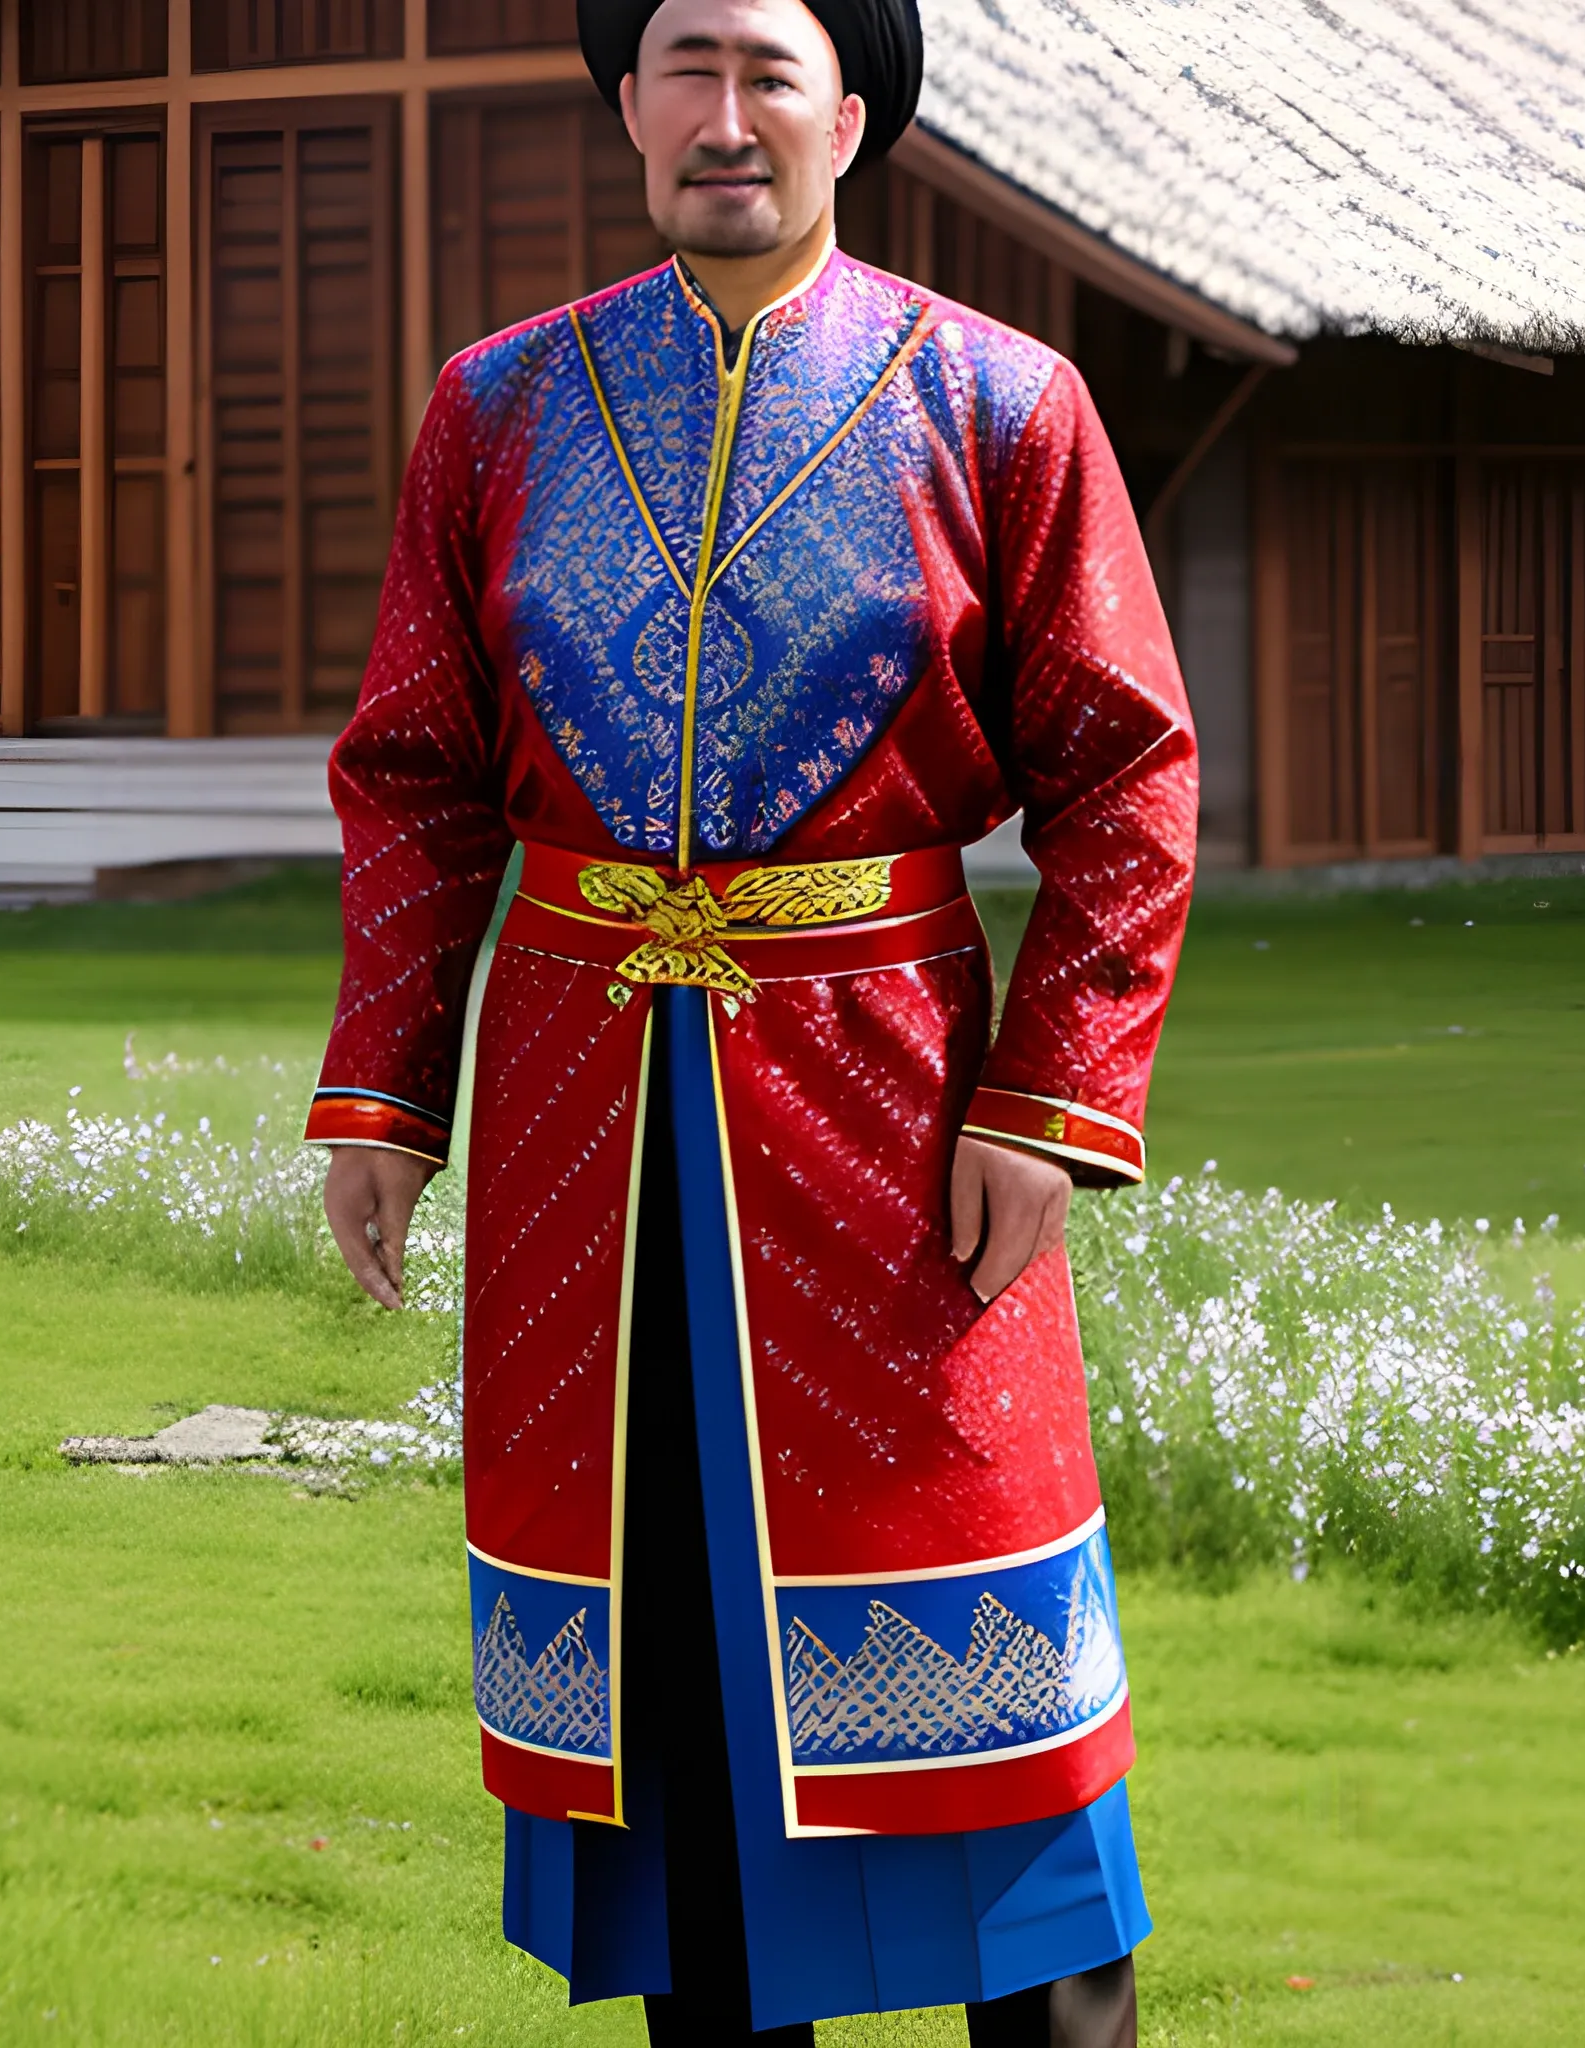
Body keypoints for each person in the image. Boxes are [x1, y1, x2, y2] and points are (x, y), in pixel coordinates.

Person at [307, 0, 1197, 2039]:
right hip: (580, 1129)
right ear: (628, 109)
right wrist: (384, 1088)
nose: (726, 117)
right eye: (683, 67)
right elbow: (420, 769)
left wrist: (1048, 1098)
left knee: (993, 1669)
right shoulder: (500, 407)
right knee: (673, 1664)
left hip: (891, 1107)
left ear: (851, 114)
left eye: (768, 71)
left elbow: (1126, 772)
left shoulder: (1000, 400)